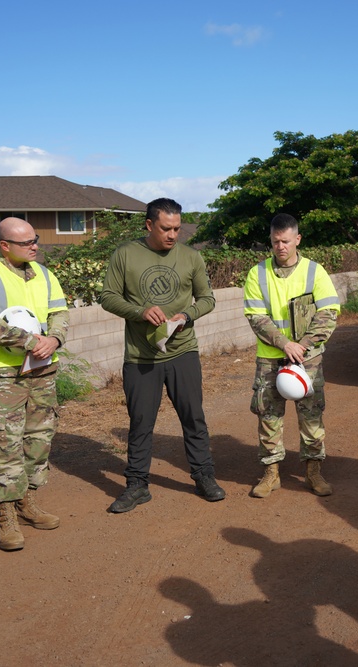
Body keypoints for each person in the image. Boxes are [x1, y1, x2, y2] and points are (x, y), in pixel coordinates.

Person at [99, 198, 224, 513]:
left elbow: (207, 298)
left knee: (193, 417)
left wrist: (187, 316)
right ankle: (137, 486)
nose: (173, 235)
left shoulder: (191, 257)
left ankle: (204, 476)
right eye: (166, 228)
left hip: (183, 352)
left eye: (177, 229)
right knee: (141, 422)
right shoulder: (125, 254)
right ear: (149, 225)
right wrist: (140, 312)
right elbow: (108, 297)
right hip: (141, 358)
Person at [0, 217, 69, 551]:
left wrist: (54, 339)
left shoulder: (45, 274)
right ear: (4, 246)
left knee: (39, 439)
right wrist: (28, 341)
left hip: (42, 369)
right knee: (7, 443)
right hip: (4, 373)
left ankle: (28, 501)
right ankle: (6, 513)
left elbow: (60, 313)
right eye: (26, 243)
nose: (35, 245)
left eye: (35, 239)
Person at [243, 214, 341, 498]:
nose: (280, 247)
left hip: (307, 358)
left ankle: (313, 472)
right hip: (270, 358)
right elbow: (256, 317)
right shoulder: (257, 274)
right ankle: (271, 473)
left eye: (286, 241)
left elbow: (329, 313)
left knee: (311, 415)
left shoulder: (315, 271)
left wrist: (304, 345)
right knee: (268, 416)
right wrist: (285, 344)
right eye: (275, 241)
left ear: (297, 239)